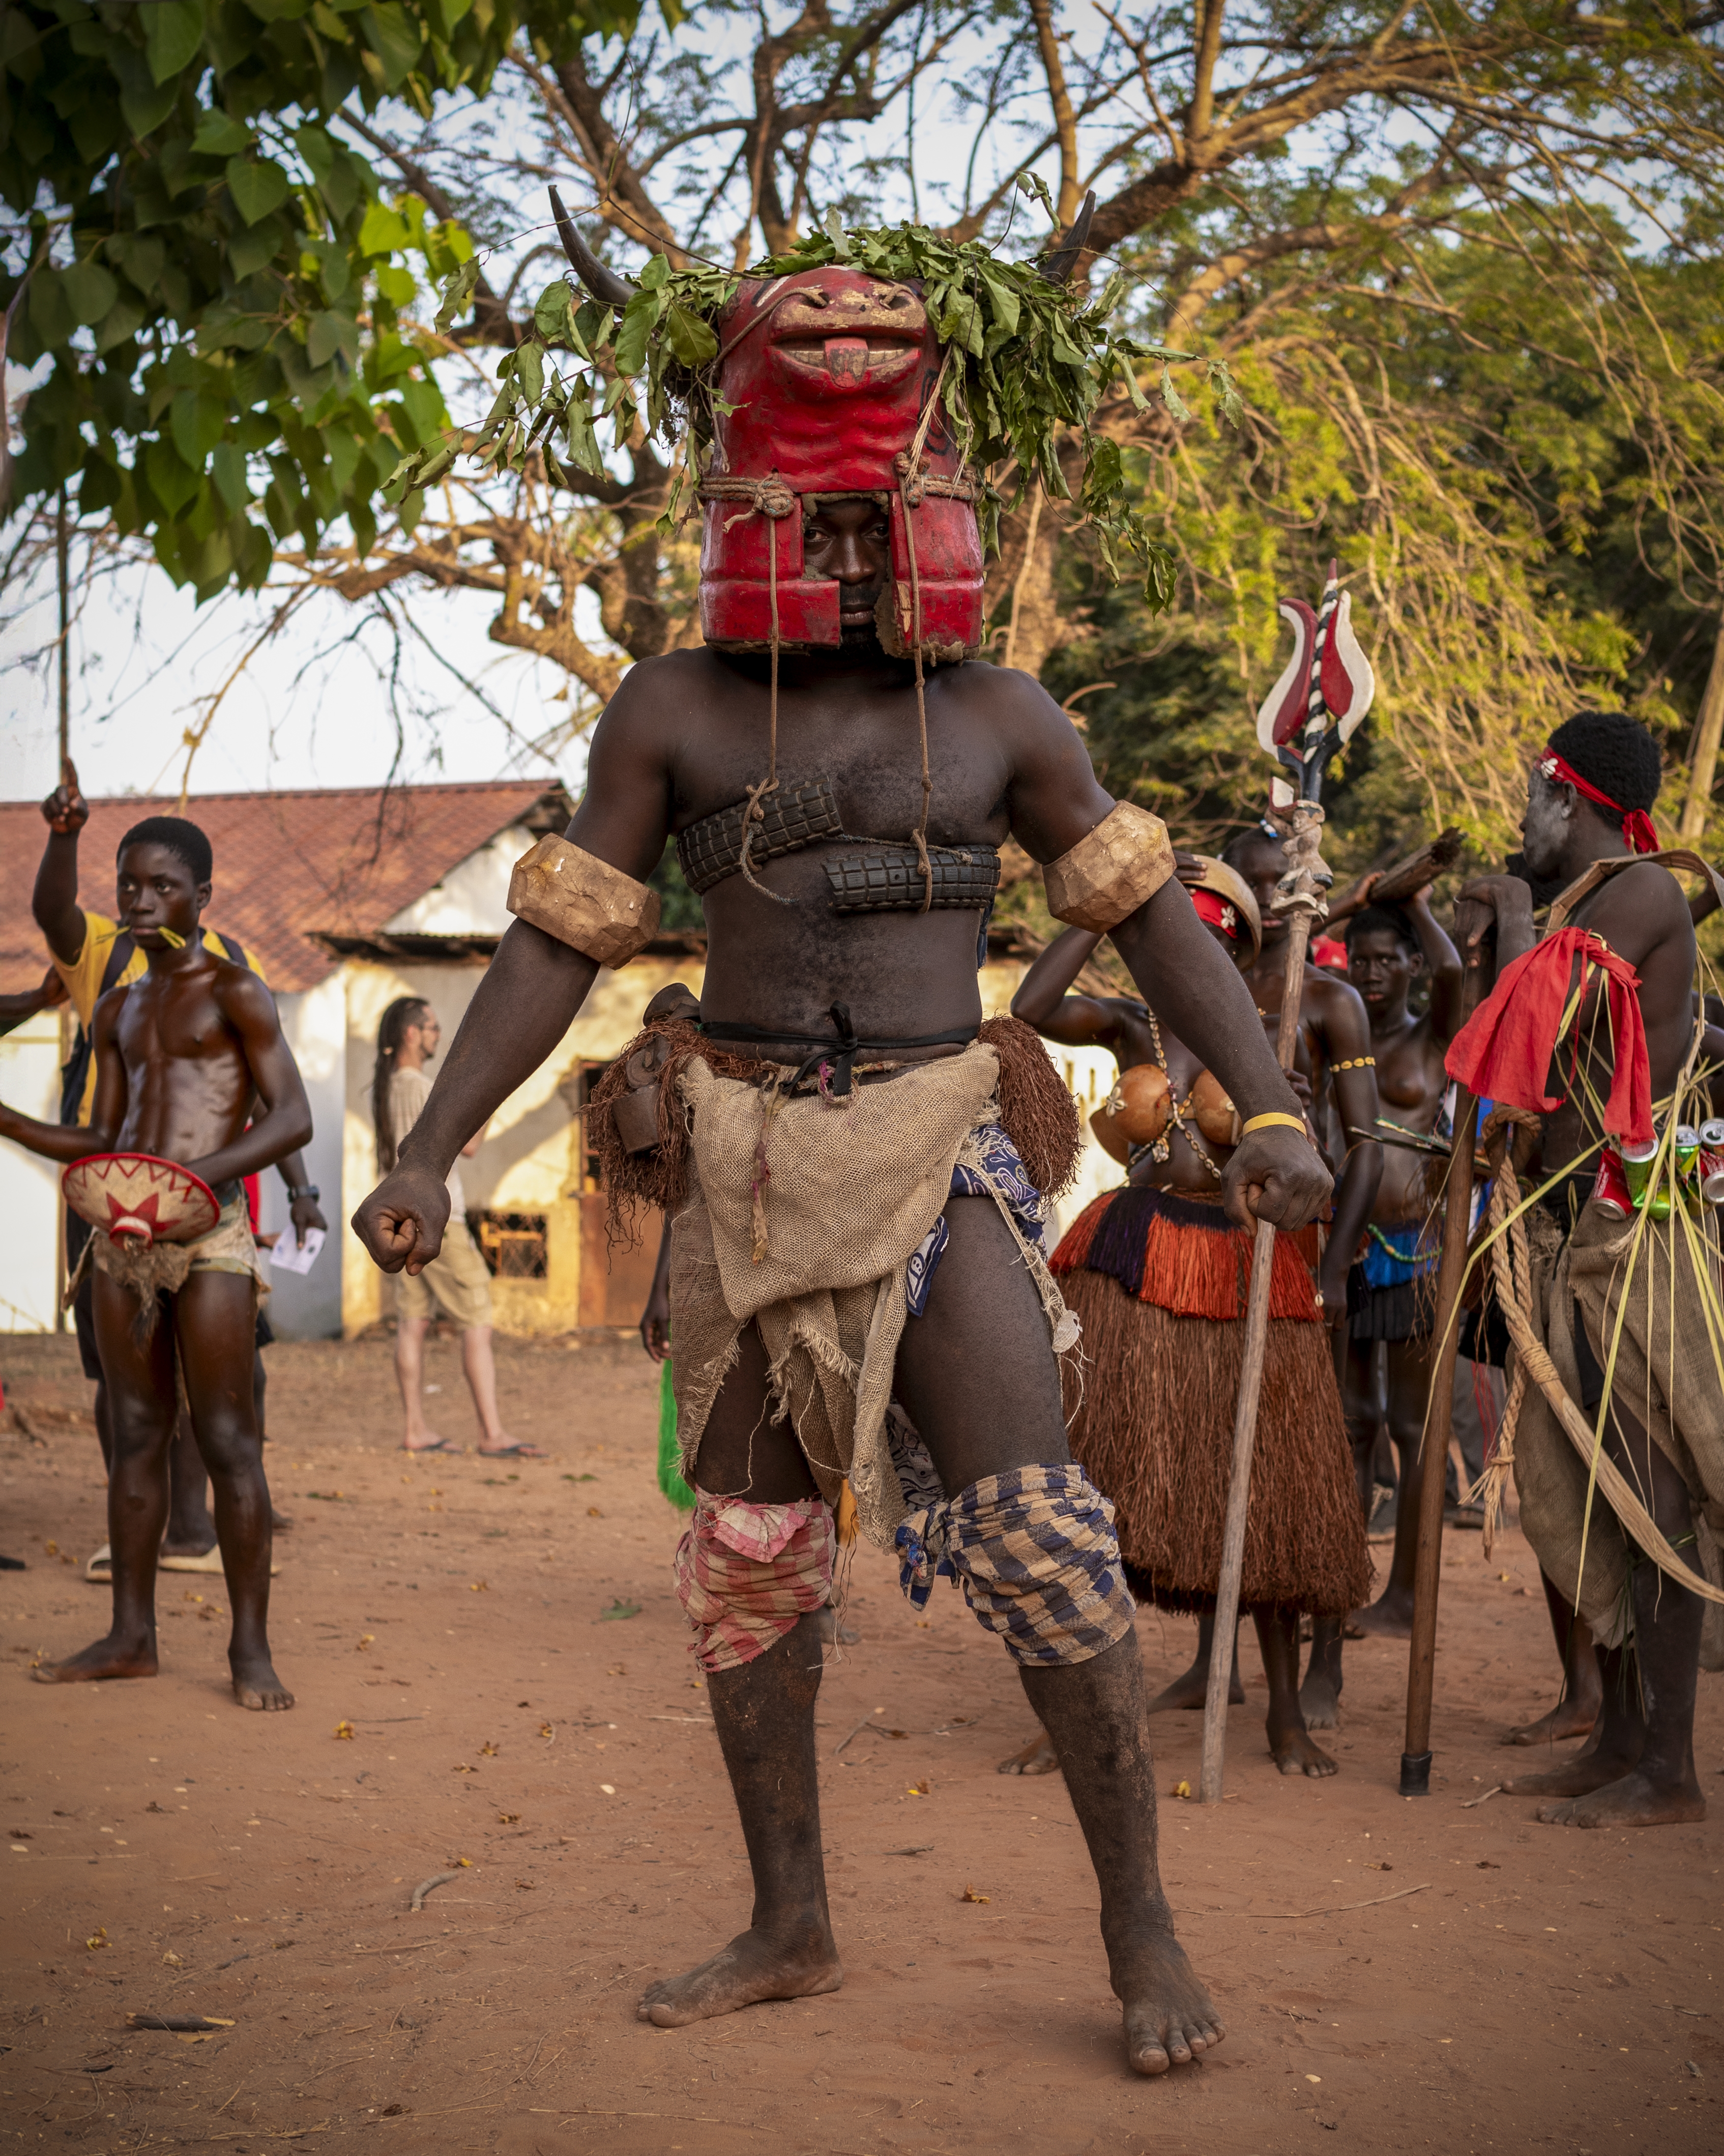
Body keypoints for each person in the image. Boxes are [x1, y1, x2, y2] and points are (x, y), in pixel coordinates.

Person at [354, 251, 1328, 2076]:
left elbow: (1154, 926)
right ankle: (791, 1916)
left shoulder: (1010, 720)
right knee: (747, 1552)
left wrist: (1269, 1105)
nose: (868, 568)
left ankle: (1140, 1916)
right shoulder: (673, 709)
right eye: (833, 533)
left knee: (1038, 1543)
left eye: (893, 530)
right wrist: (424, 1145)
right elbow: (554, 945)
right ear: (755, 526)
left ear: (938, 521)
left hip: (930, 1151)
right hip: (740, 1165)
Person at [1005, 859, 1373, 1778]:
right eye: (1165, 930)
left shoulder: (1270, 1029)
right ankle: (1080, 1711)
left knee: (1266, 1486)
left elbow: (1321, 1153)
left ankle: (1285, 1714)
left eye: (1202, 934)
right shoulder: (1132, 1021)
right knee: (1099, 1483)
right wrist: (1107, 903)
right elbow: (1030, 1004)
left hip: (1247, 1260)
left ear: (1235, 948)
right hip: (1131, 1255)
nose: (1179, 947)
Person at [1453, 710, 1715, 1827]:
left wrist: (1507, 920)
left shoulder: (1641, 892)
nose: (1519, 813)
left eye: (1529, 791)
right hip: (1571, 1237)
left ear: (1564, 795)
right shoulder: (1591, 904)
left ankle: (1669, 1769)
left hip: (1636, 1242)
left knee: (1651, 1496)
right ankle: (1615, 1738)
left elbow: (1529, 1023)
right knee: (1601, 1500)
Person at [0, 815, 311, 1708]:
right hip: (122, 1242)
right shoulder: (117, 1006)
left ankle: (249, 1650)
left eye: (162, 886)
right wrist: (12, 1121)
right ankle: (131, 1635)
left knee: (226, 1441)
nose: (141, 901)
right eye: (129, 885)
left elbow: (291, 1119)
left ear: (202, 898)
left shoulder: (238, 992)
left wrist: (184, 1185)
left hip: (205, 1235)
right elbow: (100, 1135)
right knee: (134, 1433)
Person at [1336, 889, 1468, 1637]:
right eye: (1362, 960)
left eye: (1388, 959)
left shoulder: (1433, 1038)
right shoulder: (1336, 1033)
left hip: (1415, 1251)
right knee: (1354, 1426)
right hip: (1348, 1248)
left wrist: (1409, 898)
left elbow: (1450, 968)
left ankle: (1408, 1596)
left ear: (1411, 965)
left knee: (1414, 1429)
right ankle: (1342, 1586)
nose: (1374, 972)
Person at [372, 996, 540, 1458]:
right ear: (412, 1034)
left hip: (401, 1218)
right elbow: (468, 1146)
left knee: (412, 1323)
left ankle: (415, 1428)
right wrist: (489, 1099)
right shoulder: (419, 1086)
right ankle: (491, 1433)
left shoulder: (387, 1088)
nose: (437, 1034)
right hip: (439, 1220)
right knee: (477, 1320)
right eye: (431, 1027)